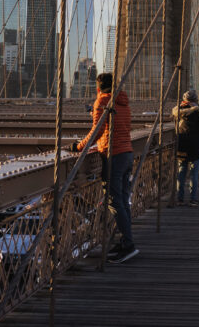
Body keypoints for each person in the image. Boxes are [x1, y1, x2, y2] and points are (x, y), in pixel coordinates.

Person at [73, 72, 137, 262]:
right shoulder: (123, 101)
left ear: (98, 87)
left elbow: (98, 130)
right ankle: (126, 241)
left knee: (114, 202)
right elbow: (115, 126)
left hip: (114, 154)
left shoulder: (102, 101)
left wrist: (78, 146)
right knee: (123, 201)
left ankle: (129, 245)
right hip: (127, 153)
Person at [173, 89, 199, 205]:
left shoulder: (177, 111)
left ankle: (180, 199)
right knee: (194, 174)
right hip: (195, 146)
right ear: (195, 100)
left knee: (181, 172)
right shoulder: (197, 112)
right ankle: (193, 199)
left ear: (184, 100)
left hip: (181, 145)